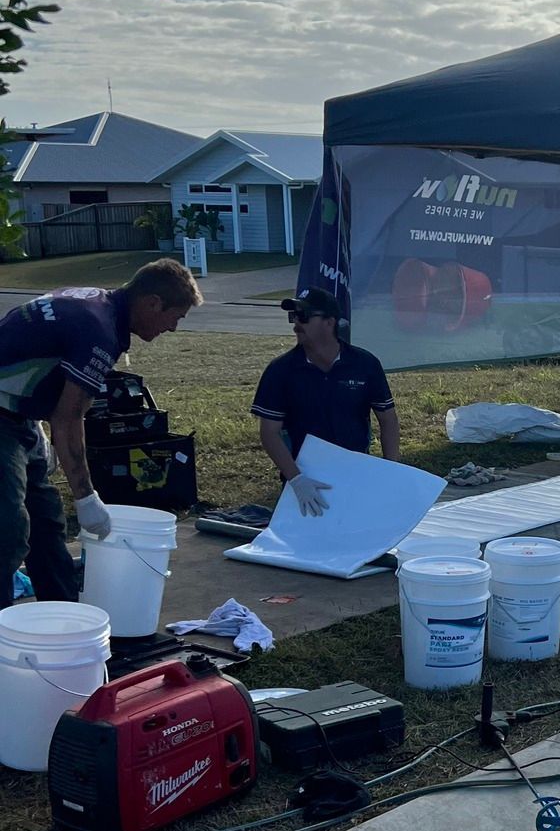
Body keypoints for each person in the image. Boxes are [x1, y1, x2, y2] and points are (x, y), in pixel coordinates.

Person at [0, 258, 202, 610]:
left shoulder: (96, 302)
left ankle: (64, 618)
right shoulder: (100, 330)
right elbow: (69, 417)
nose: (173, 328)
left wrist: (40, 433)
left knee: (46, 522)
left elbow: (43, 368)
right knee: (8, 530)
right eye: (176, 317)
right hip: (4, 415)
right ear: (153, 303)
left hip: (17, 412)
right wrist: (86, 497)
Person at [251, 288, 400, 516]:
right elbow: (269, 433)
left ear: (329, 323)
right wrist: (297, 480)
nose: (295, 324)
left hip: (355, 476)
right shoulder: (280, 371)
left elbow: (388, 420)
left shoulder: (365, 364)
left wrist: (390, 472)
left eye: (304, 316)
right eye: (293, 317)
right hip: (303, 482)